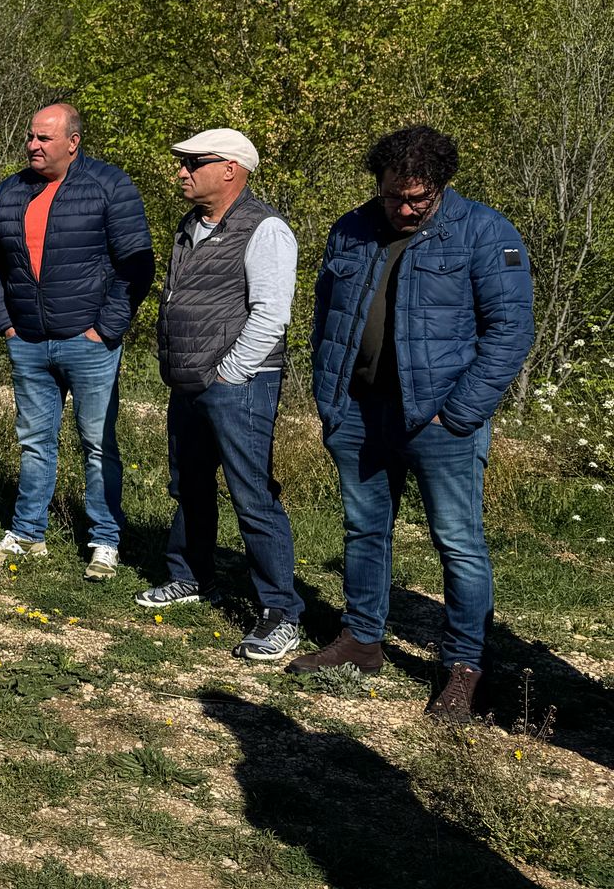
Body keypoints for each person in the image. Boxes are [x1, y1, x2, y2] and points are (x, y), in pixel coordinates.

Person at [290, 126, 534, 719]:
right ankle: (360, 638)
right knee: (363, 529)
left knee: (459, 544)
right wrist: (331, 400)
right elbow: (328, 317)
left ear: (441, 188)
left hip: (441, 420)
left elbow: (511, 331)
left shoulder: (484, 231)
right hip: (358, 412)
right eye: (393, 195)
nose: (403, 208)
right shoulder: (349, 228)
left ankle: (463, 667)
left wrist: (461, 414)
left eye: (417, 199)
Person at [133, 130, 305, 664]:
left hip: (239, 383)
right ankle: (190, 576)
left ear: (230, 169)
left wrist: (230, 372)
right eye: (181, 163)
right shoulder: (191, 226)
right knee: (189, 483)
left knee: (251, 493)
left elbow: (271, 313)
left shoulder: (266, 229)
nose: (181, 172)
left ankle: (281, 612)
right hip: (189, 381)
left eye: (193, 163)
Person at [0, 102, 154, 581]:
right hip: (28, 341)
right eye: (31, 137)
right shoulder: (11, 191)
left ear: (73, 142)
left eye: (44, 138)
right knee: (34, 442)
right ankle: (28, 532)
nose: (33, 145)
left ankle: (105, 541)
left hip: (88, 342)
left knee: (97, 444)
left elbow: (136, 266)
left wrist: (105, 329)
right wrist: (5, 323)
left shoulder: (109, 186)